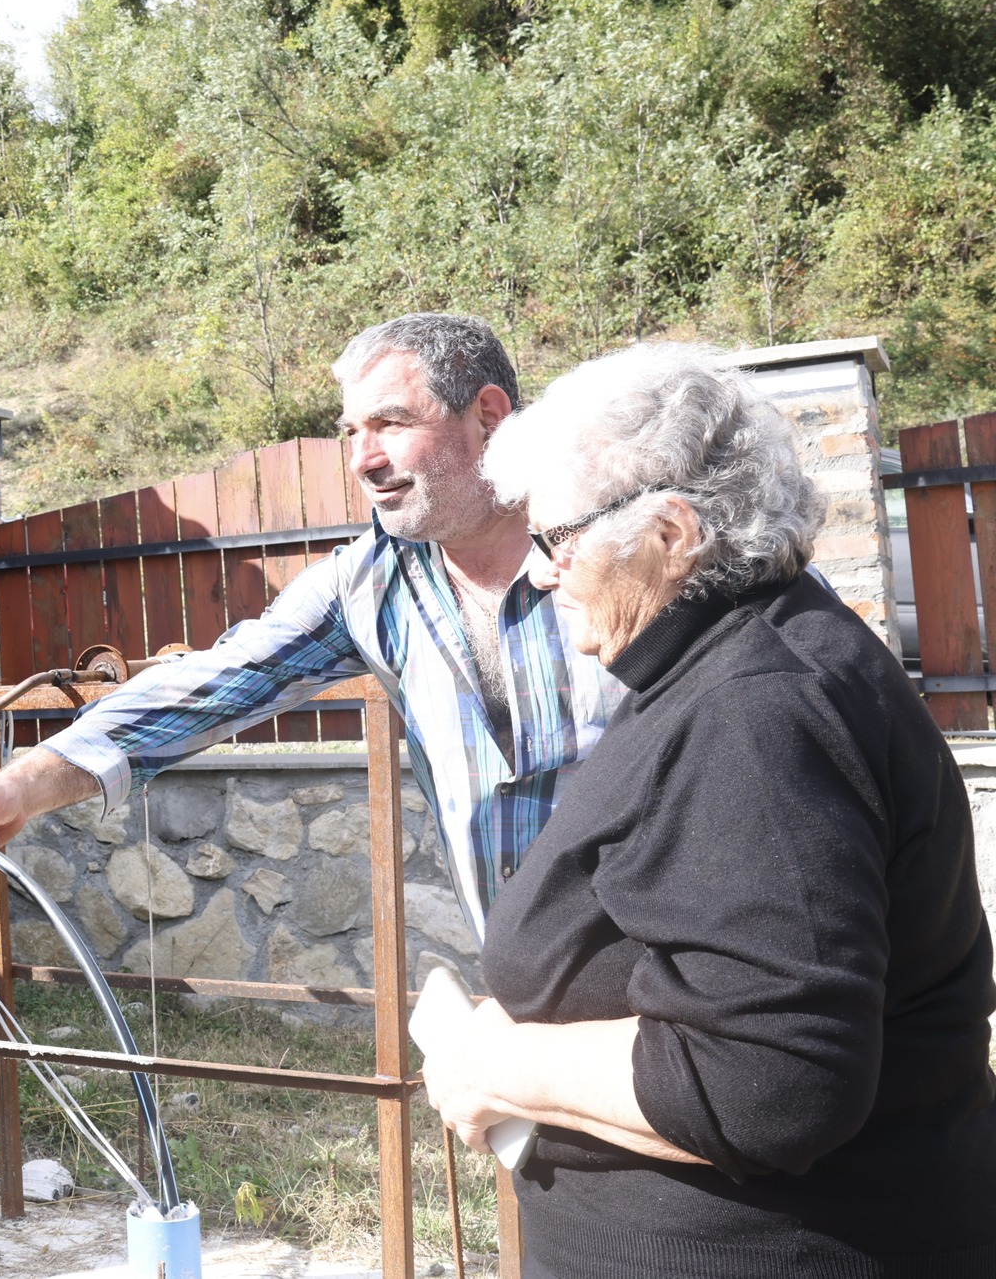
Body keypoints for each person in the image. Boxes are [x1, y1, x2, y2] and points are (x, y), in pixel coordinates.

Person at [418, 343, 996, 1277]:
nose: (545, 574)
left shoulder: (755, 711)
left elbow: (771, 1081)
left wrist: (500, 1067)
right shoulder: (729, 660)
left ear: (671, 532)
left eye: (558, 540)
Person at [0, 313, 623, 946]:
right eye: (351, 432)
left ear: (489, 415)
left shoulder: (629, 551)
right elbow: (203, 690)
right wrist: (17, 788)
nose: (363, 459)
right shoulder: (370, 582)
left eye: (392, 423)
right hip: (526, 984)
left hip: (670, 977)